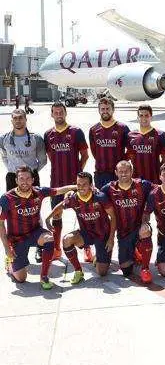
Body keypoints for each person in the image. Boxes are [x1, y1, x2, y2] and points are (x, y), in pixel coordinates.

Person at [0, 166, 76, 289]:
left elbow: (59, 190)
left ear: (33, 179)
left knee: (49, 238)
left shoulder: (39, 191)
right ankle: (10, 265)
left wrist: (77, 186)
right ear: (16, 180)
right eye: (21, 179)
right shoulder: (7, 198)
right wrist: (7, 249)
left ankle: (44, 276)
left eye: (28, 178)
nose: (25, 182)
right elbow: (1, 224)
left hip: (35, 233)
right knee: (21, 279)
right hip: (16, 239)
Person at [45, 172, 117, 285]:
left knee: (101, 272)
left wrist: (111, 239)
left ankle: (98, 256)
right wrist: (48, 218)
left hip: (103, 235)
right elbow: (60, 206)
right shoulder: (73, 198)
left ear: (91, 185)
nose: (81, 187)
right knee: (67, 239)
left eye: (84, 184)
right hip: (86, 234)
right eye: (78, 184)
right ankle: (78, 271)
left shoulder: (100, 197)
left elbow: (113, 216)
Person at [44, 102, 91, 263]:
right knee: (57, 214)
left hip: (76, 183)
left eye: (61, 112)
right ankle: (57, 248)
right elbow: (51, 157)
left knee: (84, 214)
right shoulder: (48, 134)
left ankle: (86, 248)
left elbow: (85, 156)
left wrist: (78, 175)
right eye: (55, 112)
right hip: (56, 183)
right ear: (52, 114)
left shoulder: (76, 132)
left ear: (65, 113)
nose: (58, 114)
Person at [99, 160, 154, 280]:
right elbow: (94, 196)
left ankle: (145, 268)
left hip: (139, 228)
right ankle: (135, 253)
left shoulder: (142, 185)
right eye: (121, 171)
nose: (124, 174)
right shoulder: (108, 188)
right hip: (123, 233)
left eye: (127, 171)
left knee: (145, 230)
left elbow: (161, 189)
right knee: (126, 270)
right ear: (116, 173)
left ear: (132, 172)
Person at [0, 109, 47, 191]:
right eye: (15, 118)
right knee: (12, 204)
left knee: (33, 203)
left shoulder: (36, 138)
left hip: (31, 177)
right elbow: (4, 157)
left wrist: (30, 172)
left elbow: (42, 160)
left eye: (20, 118)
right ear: (12, 121)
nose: (18, 120)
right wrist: (14, 170)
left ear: (25, 119)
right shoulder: (3, 139)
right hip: (12, 177)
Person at [88, 98, 130, 189]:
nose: (105, 111)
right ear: (99, 110)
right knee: (102, 201)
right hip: (100, 174)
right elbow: (94, 151)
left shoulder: (122, 128)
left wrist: (122, 163)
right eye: (102, 109)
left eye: (108, 109)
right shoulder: (93, 129)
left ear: (113, 110)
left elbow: (131, 150)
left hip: (118, 174)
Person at [126, 104, 165, 183]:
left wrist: (160, 170)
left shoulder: (160, 134)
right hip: (136, 179)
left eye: (146, 115)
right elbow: (130, 156)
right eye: (141, 115)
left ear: (151, 117)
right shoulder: (131, 135)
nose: (144, 118)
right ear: (137, 118)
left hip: (155, 178)